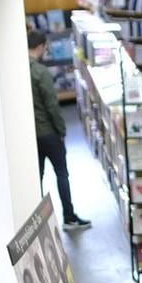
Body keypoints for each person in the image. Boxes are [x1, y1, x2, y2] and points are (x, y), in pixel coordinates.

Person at [28, 30, 88, 231]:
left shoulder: (19, 70)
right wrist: (61, 130)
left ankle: (35, 225)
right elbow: (52, 106)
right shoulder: (40, 72)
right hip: (49, 133)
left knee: (37, 177)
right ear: (41, 46)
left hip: (31, 135)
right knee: (62, 174)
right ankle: (69, 217)